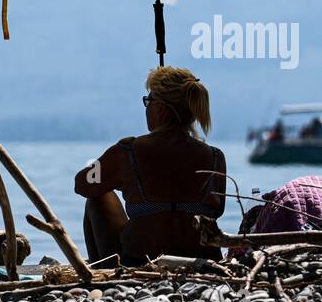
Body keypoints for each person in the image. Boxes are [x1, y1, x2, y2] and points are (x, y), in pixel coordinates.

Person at [75, 66, 227, 266]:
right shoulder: (215, 157)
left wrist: (105, 168)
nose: (146, 107)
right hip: (203, 260)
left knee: (98, 196)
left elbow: (82, 184)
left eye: (148, 101)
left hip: (140, 260)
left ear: (161, 109)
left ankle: (98, 271)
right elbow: (217, 210)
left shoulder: (128, 150)